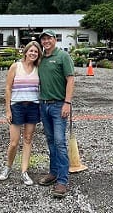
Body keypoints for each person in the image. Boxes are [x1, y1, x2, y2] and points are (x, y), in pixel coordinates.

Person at [37, 30, 75, 198]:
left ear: (55, 40)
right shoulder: (40, 59)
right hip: (43, 105)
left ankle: (63, 181)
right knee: (51, 141)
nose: (46, 41)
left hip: (59, 105)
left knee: (60, 142)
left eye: (49, 38)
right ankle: (53, 173)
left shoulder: (63, 56)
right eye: (43, 39)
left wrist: (67, 102)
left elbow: (71, 79)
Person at [0, 41, 42, 186]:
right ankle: (8, 167)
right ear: (25, 52)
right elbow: (8, 88)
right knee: (14, 142)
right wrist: (8, 109)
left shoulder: (38, 68)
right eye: (31, 51)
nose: (33, 54)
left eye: (36, 52)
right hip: (17, 106)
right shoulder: (16, 66)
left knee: (28, 139)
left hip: (33, 106)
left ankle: (24, 172)